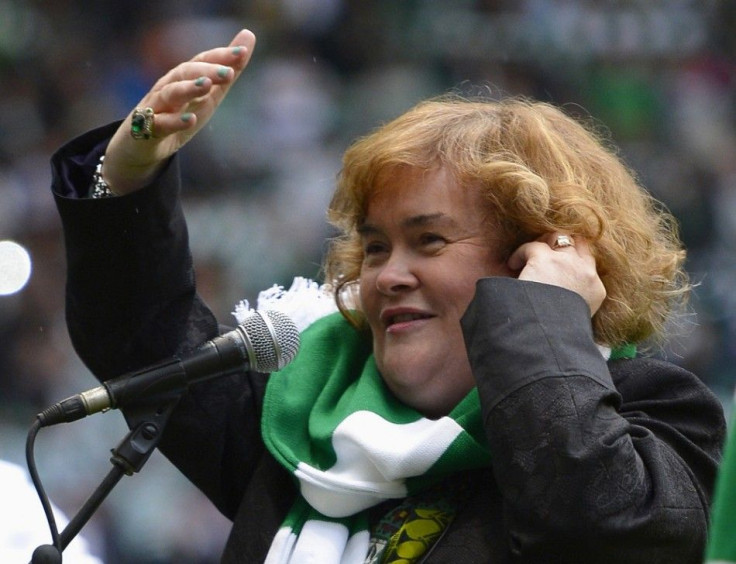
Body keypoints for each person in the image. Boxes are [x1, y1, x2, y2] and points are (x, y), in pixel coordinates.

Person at [49, 28, 726, 563]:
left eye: (428, 242)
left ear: (542, 259)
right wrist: (128, 170)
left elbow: (595, 530)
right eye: (375, 247)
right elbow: (141, 337)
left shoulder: (657, 418)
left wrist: (547, 319)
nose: (387, 275)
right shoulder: (303, 427)